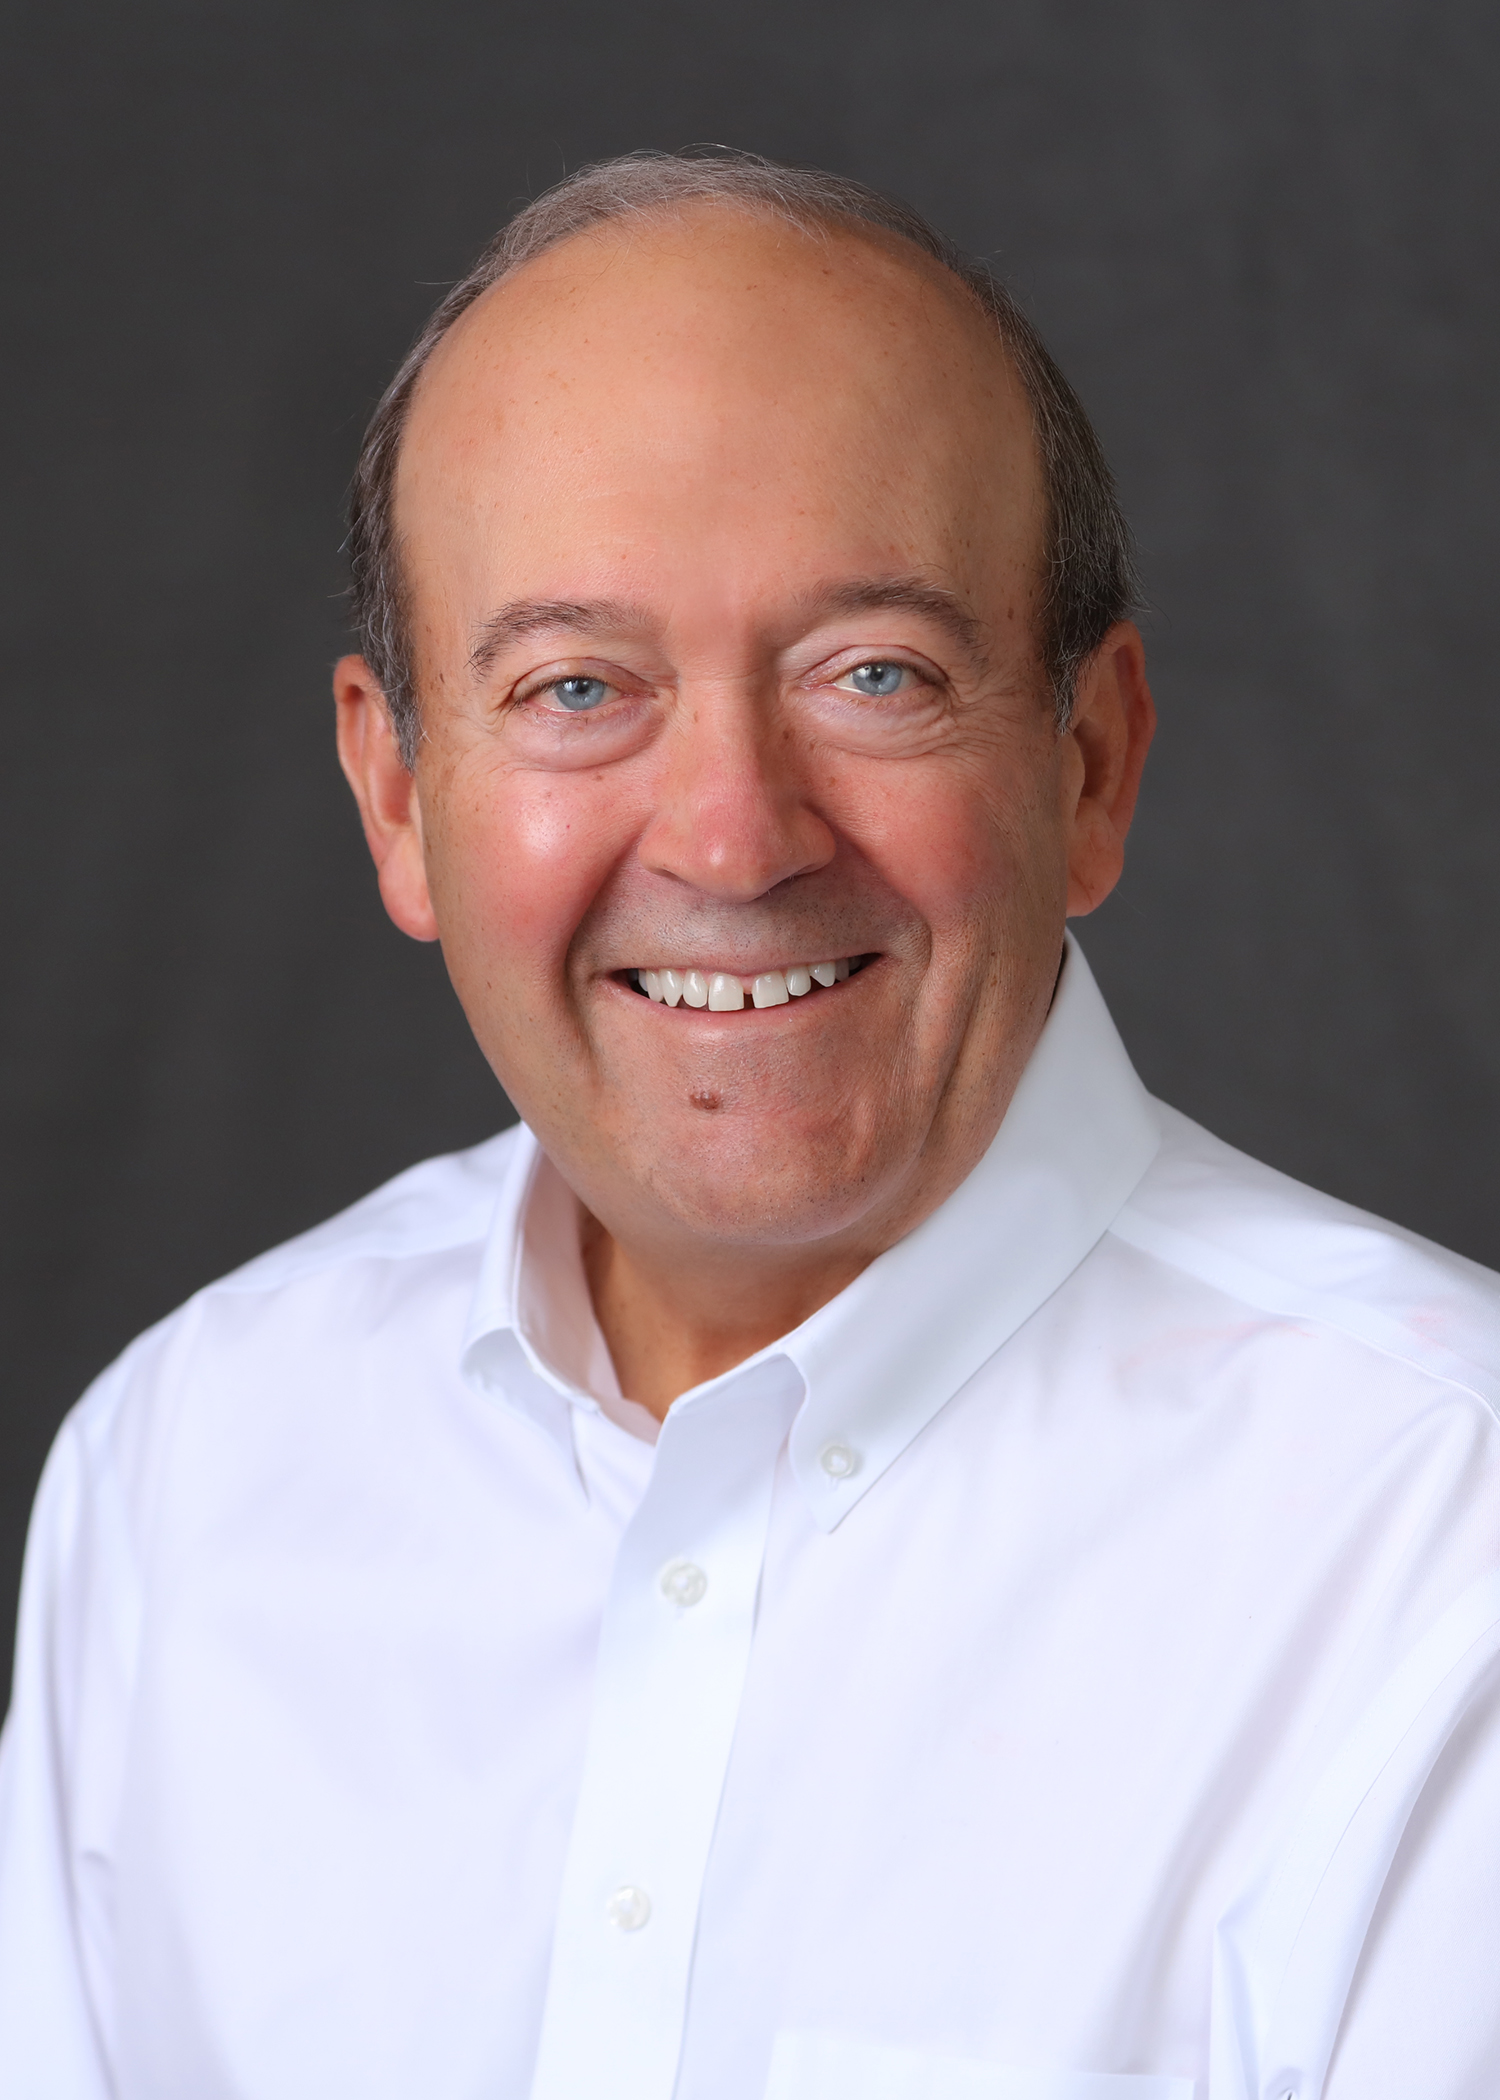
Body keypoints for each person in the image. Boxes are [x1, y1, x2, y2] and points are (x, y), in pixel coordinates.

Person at [1, 148, 1497, 2100]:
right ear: (399, 796)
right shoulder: (180, 1473)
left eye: (874, 673)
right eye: (577, 687)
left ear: (1092, 763)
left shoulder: (1437, 1542)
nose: (730, 837)